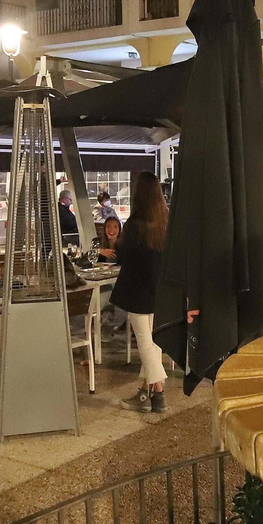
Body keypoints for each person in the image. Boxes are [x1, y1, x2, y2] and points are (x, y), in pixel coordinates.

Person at [111, 172, 169, 413]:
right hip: (159, 289)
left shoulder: (135, 224)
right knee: (153, 344)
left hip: (136, 290)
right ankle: (145, 393)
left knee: (145, 343)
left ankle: (159, 394)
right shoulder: (166, 220)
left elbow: (122, 256)